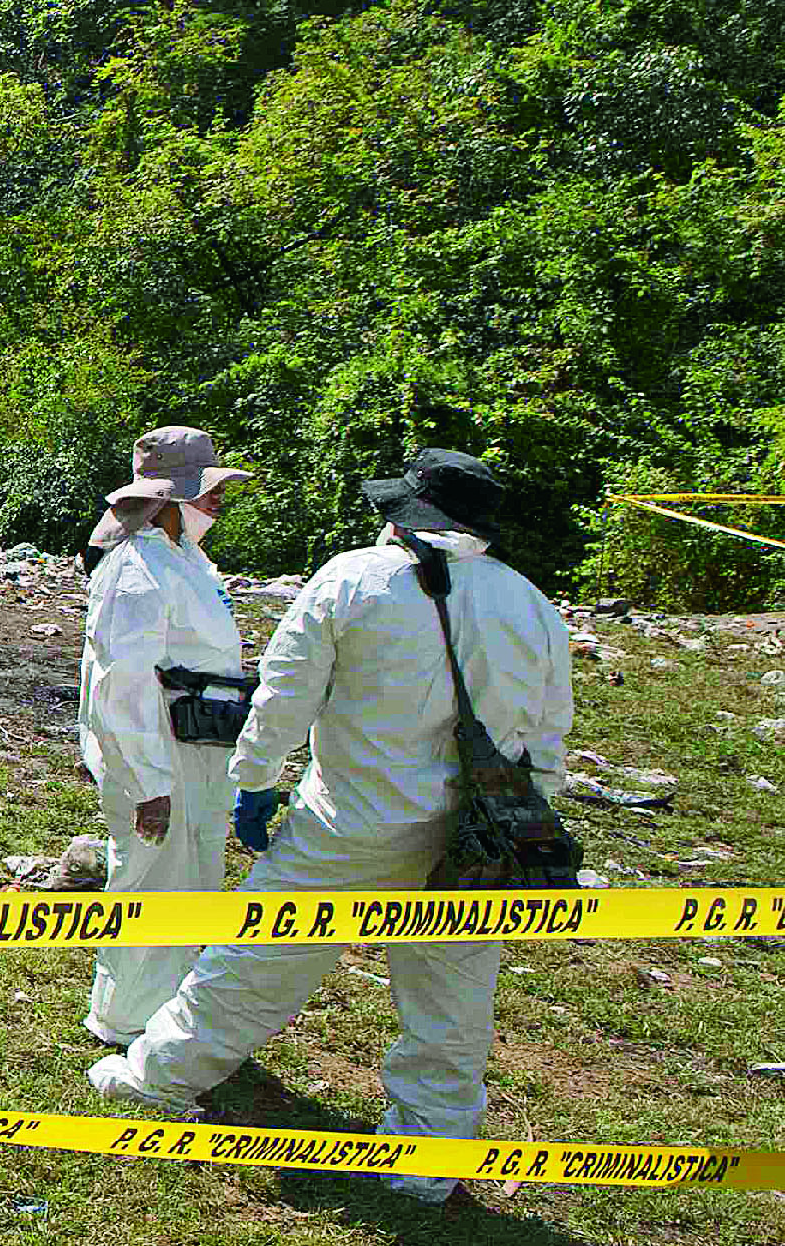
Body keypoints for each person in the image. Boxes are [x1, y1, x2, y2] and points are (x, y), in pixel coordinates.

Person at [90, 449, 575, 1204]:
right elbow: (545, 740)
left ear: (403, 514)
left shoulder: (354, 579)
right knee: (451, 998)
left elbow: (284, 697)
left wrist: (252, 781)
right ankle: (429, 1155)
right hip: (469, 843)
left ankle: (157, 1079)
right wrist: (518, 827)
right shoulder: (532, 607)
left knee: (256, 965)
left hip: (348, 821)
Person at [76, 426, 253, 1049]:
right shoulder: (138, 571)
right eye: (206, 492)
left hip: (198, 748)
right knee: (152, 881)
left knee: (193, 882)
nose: (217, 504)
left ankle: (166, 1016)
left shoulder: (185, 562)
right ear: (169, 498)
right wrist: (150, 783)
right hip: (160, 755)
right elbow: (120, 686)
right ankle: (123, 1020)